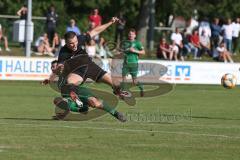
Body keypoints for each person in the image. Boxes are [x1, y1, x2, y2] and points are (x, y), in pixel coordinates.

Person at [56, 17, 130, 111]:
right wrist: (59, 69)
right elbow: (59, 67)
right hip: (78, 72)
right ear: (66, 43)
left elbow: (95, 31)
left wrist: (110, 22)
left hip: (91, 66)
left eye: (76, 42)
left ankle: (118, 91)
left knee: (115, 83)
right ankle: (77, 101)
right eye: (71, 43)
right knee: (70, 83)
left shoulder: (80, 38)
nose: (74, 45)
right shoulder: (63, 52)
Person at [42, 60, 127, 122]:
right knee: (57, 100)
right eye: (52, 67)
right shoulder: (56, 77)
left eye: (54, 66)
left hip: (80, 92)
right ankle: (82, 109)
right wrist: (49, 81)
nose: (52, 68)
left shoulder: (68, 73)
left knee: (95, 103)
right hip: (70, 97)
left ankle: (116, 114)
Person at [121, 28, 145, 97]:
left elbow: (143, 52)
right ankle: (124, 94)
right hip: (125, 63)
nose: (130, 35)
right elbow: (122, 51)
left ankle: (141, 87)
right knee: (124, 79)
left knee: (134, 81)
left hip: (134, 64)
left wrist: (134, 51)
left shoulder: (137, 43)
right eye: (129, 34)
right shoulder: (125, 42)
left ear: (135, 35)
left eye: (132, 34)